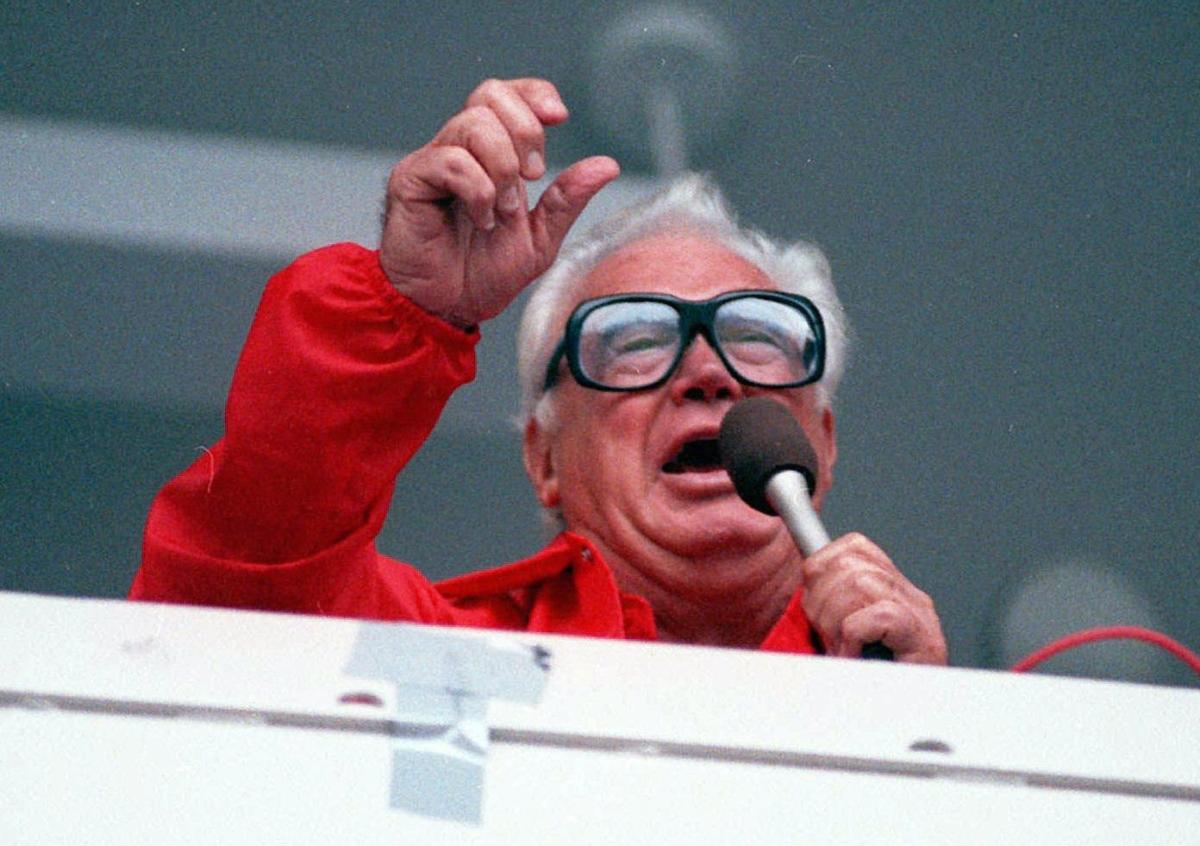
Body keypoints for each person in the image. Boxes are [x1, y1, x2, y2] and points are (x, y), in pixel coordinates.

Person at [132, 78, 946, 664]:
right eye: (633, 339)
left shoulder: (901, 680)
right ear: (543, 458)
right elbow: (242, 585)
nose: (708, 372)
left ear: (822, 443)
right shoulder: (430, 657)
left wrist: (923, 743)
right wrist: (404, 306)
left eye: (757, 336)